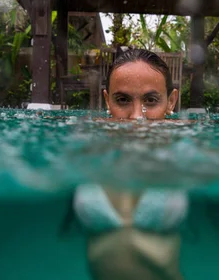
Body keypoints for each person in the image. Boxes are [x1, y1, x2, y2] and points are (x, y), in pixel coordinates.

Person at [62, 48, 189, 280]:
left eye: (151, 100)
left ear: (171, 101)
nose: (136, 117)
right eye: (122, 100)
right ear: (107, 100)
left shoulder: (186, 145)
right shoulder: (86, 141)